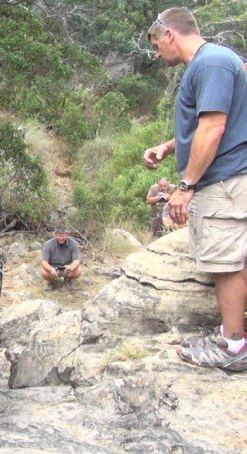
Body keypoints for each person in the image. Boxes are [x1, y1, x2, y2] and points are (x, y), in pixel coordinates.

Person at [143, 7, 247, 371]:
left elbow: (214, 128)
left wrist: (186, 186)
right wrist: (170, 147)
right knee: (233, 259)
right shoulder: (216, 61)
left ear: (170, 34)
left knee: (226, 262)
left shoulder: (211, 62)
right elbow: (212, 122)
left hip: (224, 180)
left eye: (156, 45)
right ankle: (232, 336)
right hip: (229, 177)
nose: (157, 54)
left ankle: (233, 346)